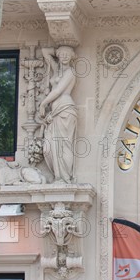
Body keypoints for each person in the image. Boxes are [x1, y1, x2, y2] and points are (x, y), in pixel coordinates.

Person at [39, 46, 78, 183]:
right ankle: (58, 176)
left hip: (65, 110)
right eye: (62, 54)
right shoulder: (57, 70)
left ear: (72, 56)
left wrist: (43, 103)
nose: (65, 56)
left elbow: (58, 91)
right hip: (54, 113)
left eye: (68, 54)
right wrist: (56, 50)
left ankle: (65, 177)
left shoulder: (70, 72)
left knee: (64, 145)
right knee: (49, 148)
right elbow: (45, 52)